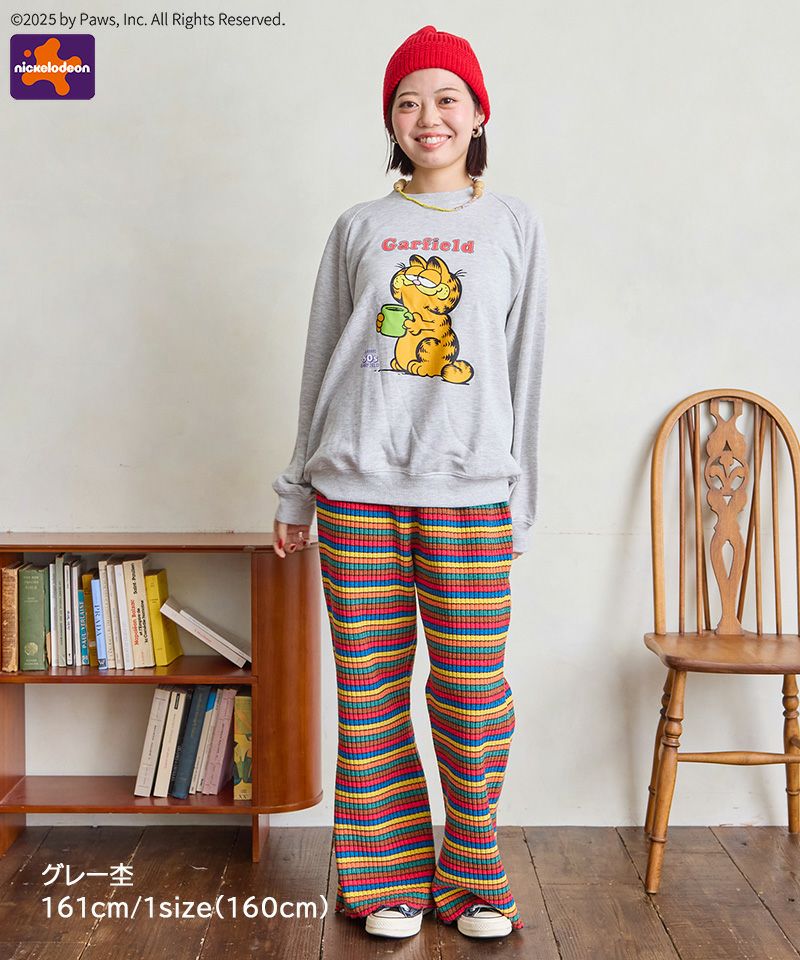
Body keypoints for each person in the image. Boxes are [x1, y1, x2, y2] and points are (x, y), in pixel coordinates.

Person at [272, 24, 547, 941]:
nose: (429, 116)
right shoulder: (358, 227)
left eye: (446, 99)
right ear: (390, 121)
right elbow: (322, 359)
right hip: (355, 488)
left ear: (478, 115)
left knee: (472, 698)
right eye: (408, 102)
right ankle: (384, 880)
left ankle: (472, 881)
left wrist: (521, 501)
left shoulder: (514, 226)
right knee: (372, 693)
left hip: (471, 494)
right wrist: (295, 489)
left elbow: (526, 368)